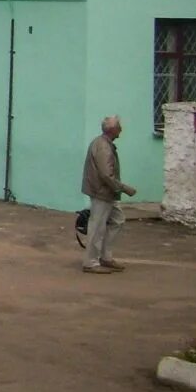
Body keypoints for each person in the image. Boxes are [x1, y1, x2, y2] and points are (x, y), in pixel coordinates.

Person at [81, 115, 136, 274]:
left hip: (106, 192)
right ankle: (91, 262)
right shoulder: (103, 147)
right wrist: (124, 188)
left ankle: (105, 256)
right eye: (119, 127)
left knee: (117, 220)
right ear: (113, 130)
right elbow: (106, 175)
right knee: (97, 226)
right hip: (102, 192)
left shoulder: (103, 143)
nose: (121, 130)